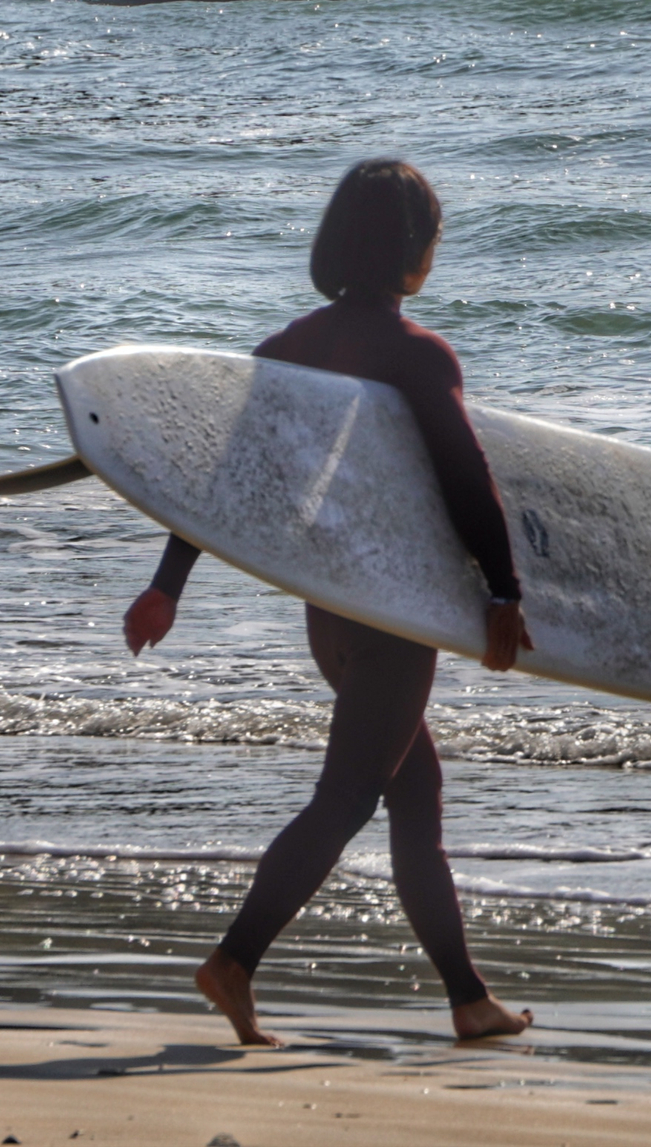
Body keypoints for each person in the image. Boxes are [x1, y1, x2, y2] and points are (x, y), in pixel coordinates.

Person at [121, 157, 535, 1045]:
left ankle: (469, 1000)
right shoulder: (418, 355)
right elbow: (469, 480)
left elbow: (222, 484)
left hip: (330, 616)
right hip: (390, 609)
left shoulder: (284, 351)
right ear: (413, 251)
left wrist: (166, 589)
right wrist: (503, 591)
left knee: (413, 793)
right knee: (349, 797)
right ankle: (234, 960)